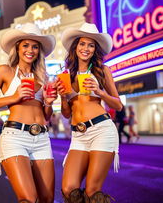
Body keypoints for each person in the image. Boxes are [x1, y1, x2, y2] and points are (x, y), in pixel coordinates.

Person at [0, 23, 57, 203]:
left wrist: (49, 103)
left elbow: (45, 116)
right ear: (18, 48)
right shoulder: (5, 71)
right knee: (28, 198)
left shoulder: (43, 77)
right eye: (26, 45)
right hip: (15, 137)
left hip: (42, 138)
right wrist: (13, 97)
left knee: (47, 198)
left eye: (35, 46)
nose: (30, 50)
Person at [56, 22, 123, 202]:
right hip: (78, 135)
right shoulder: (66, 75)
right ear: (75, 47)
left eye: (91, 45)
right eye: (82, 44)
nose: (86, 48)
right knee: (69, 189)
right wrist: (63, 97)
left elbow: (118, 105)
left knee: (93, 191)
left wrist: (100, 91)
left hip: (101, 129)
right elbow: (67, 114)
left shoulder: (102, 71)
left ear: (95, 50)